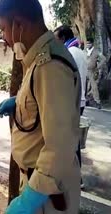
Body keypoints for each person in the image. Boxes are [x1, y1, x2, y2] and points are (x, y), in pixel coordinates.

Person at [0, 0, 81, 213]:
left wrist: (30, 200)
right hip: (39, 184)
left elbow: (60, 146)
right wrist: (18, 103)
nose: (4, 38)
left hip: (48, 194)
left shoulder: (49, 66)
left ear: (19, 25)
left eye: (4, 29)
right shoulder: (38, 58)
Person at [54, 25, 87, 189]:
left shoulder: (69, 53)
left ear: (63, 38)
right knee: (73, 141)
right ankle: (76, 177)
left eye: (57, 38)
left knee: (67, 142)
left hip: (70, 101)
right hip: (80, 101)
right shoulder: (80, 52)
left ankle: (73, 179)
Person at [86, 38, 106, 109]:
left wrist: (98, 67)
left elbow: (103, 59)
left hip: (92, 71)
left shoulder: (96, 51)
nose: (88, 45)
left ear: (92, 44)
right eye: (87, 43)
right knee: (85, 87)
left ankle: (97, 102)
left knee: (94, 87)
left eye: (89, 43)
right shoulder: (84, 51)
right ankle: (86, 100)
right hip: (84, 71)